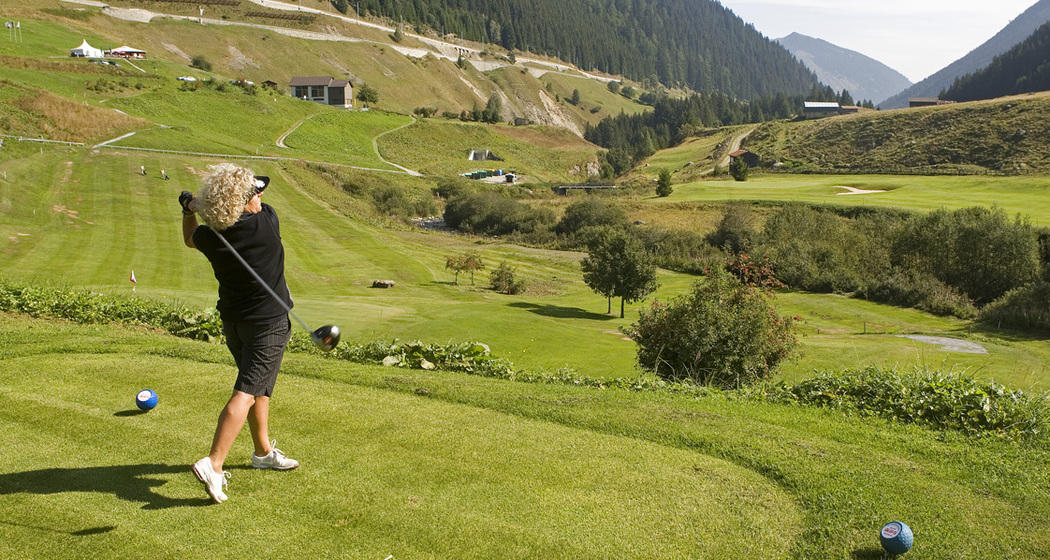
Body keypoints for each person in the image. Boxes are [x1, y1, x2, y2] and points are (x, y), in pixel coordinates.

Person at [179, 163, 298, 504]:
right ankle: (214, 464)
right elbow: (248, 212)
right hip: (268, 325)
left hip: (234, 323)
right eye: (256, 193)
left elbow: (190, 237)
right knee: (246, 391)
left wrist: (190, 209)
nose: (261, 197)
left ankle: (263, 452)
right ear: (243, 201)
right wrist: (199, 206)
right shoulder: (267, 221)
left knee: (259, 387)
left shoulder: (210, 237)